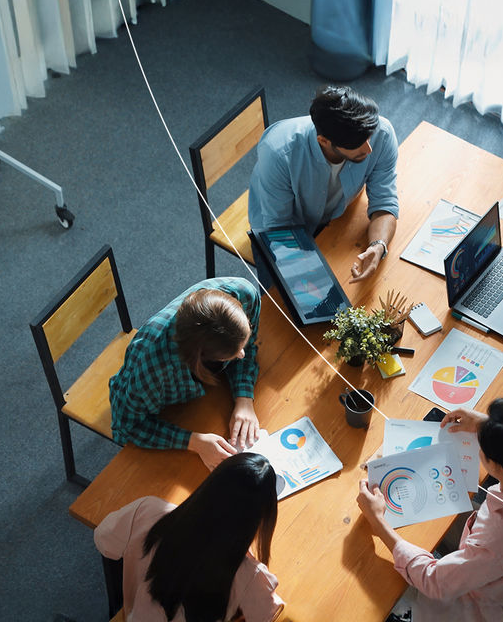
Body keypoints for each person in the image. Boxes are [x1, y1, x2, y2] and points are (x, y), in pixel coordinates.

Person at [356, 399, 503, 622]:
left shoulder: (498, 542)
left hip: (495, 599)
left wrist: (379, 523)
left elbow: (435, 582)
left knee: (376, 588)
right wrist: (488, 425)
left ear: (494, 466)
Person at [95, 452, 284, 622]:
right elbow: (268, 612)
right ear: (259, 520)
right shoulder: (249, 576)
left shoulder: (147, 511)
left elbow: (103, 539)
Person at [248, 85, 399, 284]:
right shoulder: (278, 153)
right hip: (283, 226)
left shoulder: (381, 132)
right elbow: (279, 230)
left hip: (337, 214)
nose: (369, 148)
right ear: (324, 141)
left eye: (368, 137)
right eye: (357, 143)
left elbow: (384, 201)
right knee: (285, 305)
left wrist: (378, 245)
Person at [109, 277, 261, 469]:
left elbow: (248, 351)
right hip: (161, 406)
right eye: (231, 354)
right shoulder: (152, 366)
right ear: (199, 359)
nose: (242, 354)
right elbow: (127, 426)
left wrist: (244, 399)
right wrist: (194, 442)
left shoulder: (244, 293)